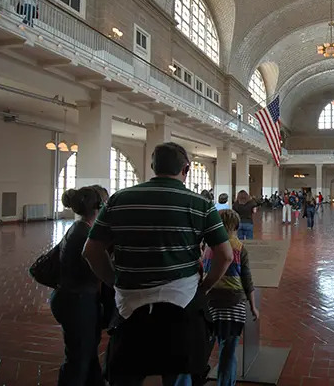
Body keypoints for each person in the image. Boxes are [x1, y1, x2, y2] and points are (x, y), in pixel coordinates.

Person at [83, 142, 234, 386]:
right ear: (185, 169)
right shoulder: (201, 204)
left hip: (129, 305)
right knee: (177, 371)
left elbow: (91, 251)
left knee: (128, 370)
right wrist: (204, 286)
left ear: (153, 166)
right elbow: (225, 255)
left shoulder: (119, 199)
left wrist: (114, 280)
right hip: (182, 303)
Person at [51, 186, 107, 386]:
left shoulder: (79, 228)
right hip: (77, 302)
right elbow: (100, 270)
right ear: (99, 207)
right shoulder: (85, 235)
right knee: (79, 359)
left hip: (72, 298)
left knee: (88, 354)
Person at [203, 209, 258, 386]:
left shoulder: (208, 246)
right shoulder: (239, 248)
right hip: (233, 304)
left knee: (207, 347)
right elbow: (247, 279)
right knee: (228, 352)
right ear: (236, 225)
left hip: (210, 303)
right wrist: (253, 306)